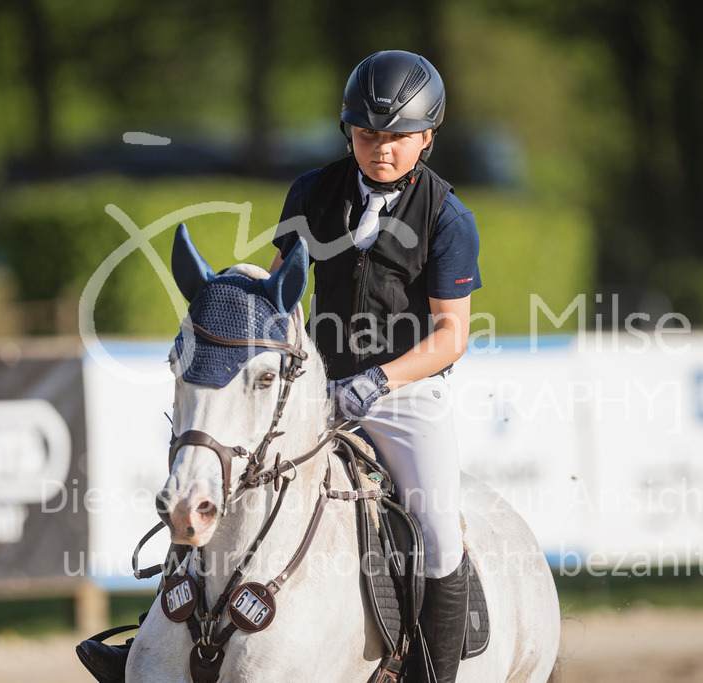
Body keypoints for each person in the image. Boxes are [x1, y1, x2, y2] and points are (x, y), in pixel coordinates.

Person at [270, 49, 480, 683]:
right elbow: (284, 292)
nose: (380, 149)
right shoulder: (311, 192)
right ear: (349, 132)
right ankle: (161, 642)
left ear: (426, 136)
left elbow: (451, 335)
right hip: (317, 385)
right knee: (225, 476)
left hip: (406, 395)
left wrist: (380, 379)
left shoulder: (448, 217)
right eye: (366, 136)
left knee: (439, 534)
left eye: (396, 138)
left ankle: (434, 675)